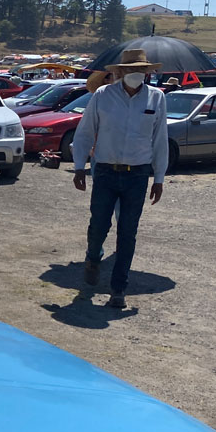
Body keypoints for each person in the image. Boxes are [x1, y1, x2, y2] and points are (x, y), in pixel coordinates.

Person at [71, 49, 167, 309]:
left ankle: (118, 289)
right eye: (130, 69)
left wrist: (159, 177)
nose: (136, 74)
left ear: (147, 73)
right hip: (104, 171)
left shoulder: (156, 99)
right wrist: (79, 166)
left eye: (141, 70)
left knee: (128, 233)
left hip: (137, 174)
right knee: (99, 225)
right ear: (119, 72)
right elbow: (85, 132)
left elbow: (159, 140)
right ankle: (93, 256)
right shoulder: (103, 96)